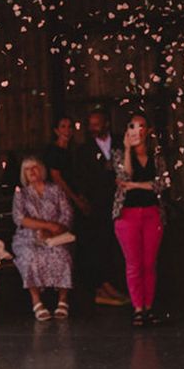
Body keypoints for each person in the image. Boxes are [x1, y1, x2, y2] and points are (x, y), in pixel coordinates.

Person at [112, 114, 170, 327]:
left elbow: (162, 183)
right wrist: (128, 149)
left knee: (149, 263)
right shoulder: (119, 153)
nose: (138, 130)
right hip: (127, 215)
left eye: (142, 126)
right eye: (133, 126)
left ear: (148, 130)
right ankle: (138, 308)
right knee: (134, 264)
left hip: (152, 213)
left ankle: (148, 307)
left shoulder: (156, 155)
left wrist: (137, 186)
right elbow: (124, 177)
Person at [75, 107, 129, 306]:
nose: (93, 128)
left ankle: (118, 286)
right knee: (101, 246)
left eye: (97, 124)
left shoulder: (120, 143)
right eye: (90, 125)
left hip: (121, 201)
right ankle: (103, 287)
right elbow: (82, 178)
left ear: (106, 123)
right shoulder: (84, 150)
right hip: (98, 206)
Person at [12, 156, 74, 320]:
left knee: (62, 255)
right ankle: (36, 301)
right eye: (27, 169)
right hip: (28, 236)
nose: (32, 171)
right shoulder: (21, 193)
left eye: (35, 167)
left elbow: (67, 213)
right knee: (31, 256)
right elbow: (20, 218)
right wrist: (47, 226)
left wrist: (55, 230)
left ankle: (63, 300)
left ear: (42, 170)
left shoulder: (56, 190)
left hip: (56, 235)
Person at [43, 114, 87, 213]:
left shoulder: (74, 150)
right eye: (63, 127)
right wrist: (75, 200)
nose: (67, 130)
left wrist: (81, 195)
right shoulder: (52, 151)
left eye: (69, 127)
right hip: (58, 198)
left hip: (74, 194)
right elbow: (57, 179)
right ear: (56, 130)